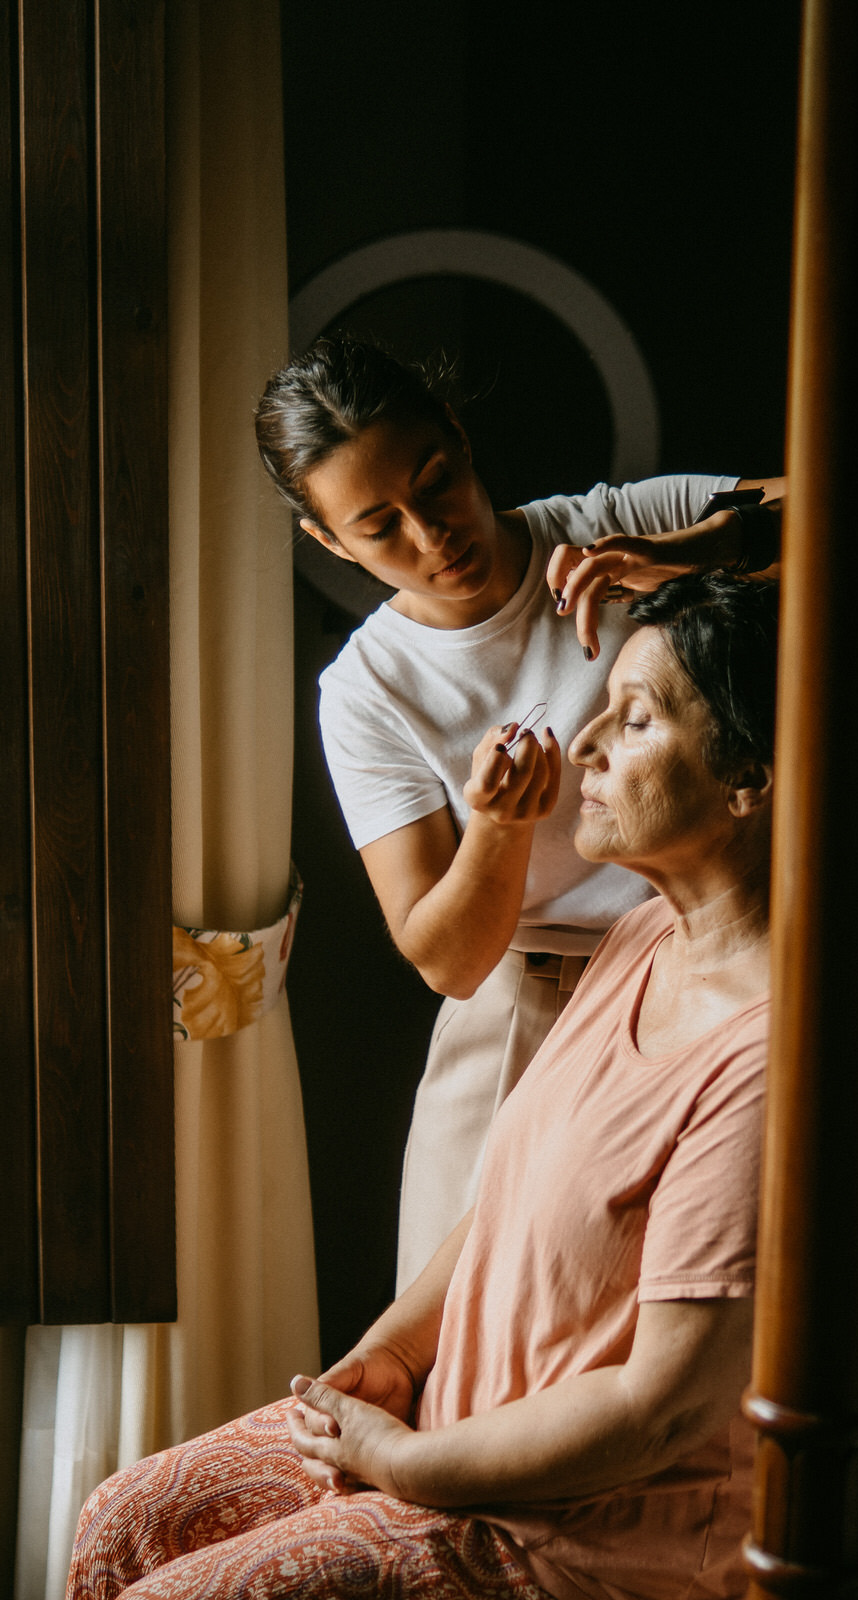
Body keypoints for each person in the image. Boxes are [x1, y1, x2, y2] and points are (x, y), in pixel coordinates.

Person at [67, 573, 858, 1600]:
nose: (587, 742)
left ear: (750, 777)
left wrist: (401, 1462)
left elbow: (656, 1412)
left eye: (637, 718)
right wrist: (394, 1354)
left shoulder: (785, 1076)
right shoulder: (646, 935)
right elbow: (507, 1207)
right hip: (459, 1442)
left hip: (575, 1545)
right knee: (122, 1520)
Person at [254, 336, 786, 1291]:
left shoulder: (613, 527)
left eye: (437, 484)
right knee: (454, 1318)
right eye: (380, 527)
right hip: (524, 1008)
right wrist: (496, 830)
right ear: (329, 543)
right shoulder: (368, 692)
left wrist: (692, 553)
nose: (432, 536)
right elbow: (449, 963)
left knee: (690, 1303)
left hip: (713, 978)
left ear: (460, 438)